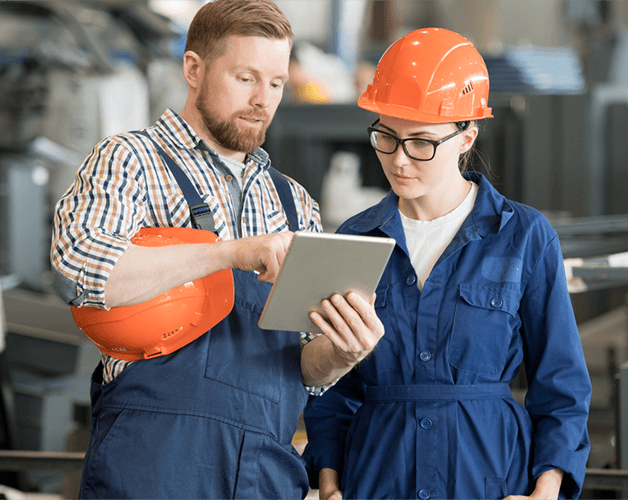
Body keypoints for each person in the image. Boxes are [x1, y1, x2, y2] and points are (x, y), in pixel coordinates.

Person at [50, 1, 384, 498]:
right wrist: (231, 253)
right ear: (193, 69)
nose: (262, 100)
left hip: (265, 471)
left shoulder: (295, 204)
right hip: (155, 463)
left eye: (275, 83)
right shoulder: (131, 161)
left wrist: (340, 353)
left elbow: (302, 368)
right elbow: (83, 272)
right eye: (245, 78)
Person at [302, 28, 592, 500]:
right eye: (385, 136)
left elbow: (560, 384)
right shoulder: (355, 239)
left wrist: (547, 490)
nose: (398, 160)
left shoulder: (523, 237)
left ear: (466, 137)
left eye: (420, 142)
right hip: (378, 477)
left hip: (488, 477)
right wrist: (330, 480)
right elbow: (334, 386)